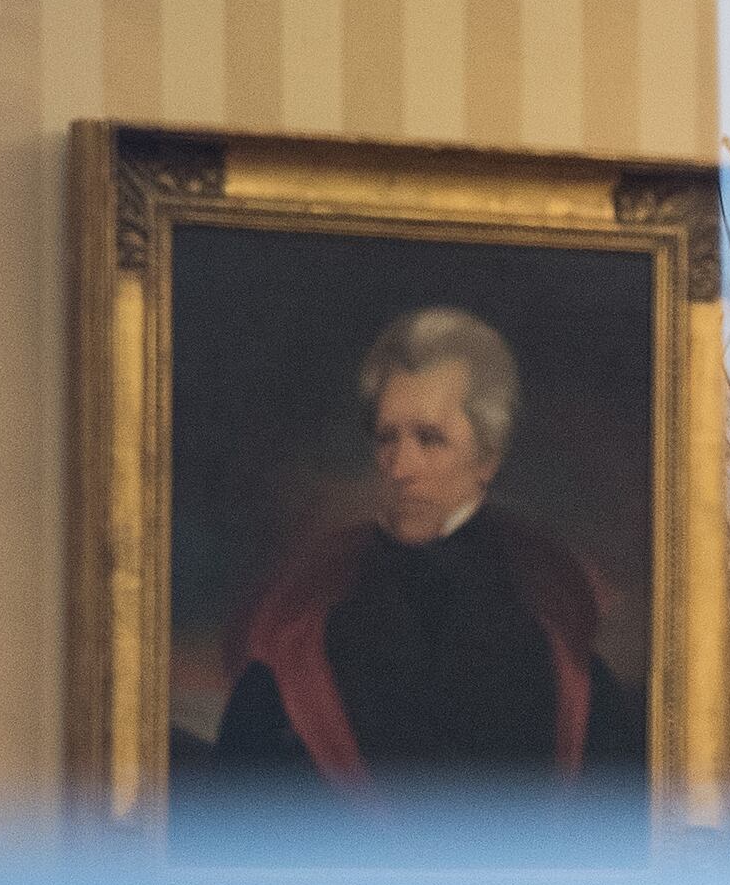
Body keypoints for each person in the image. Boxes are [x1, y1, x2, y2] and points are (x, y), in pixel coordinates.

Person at [196, 305, 648, 847]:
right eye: (387, 439)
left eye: (429, 439)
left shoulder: (553, 633)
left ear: (488, 457)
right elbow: (235, 826)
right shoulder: (306, 622)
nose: (400, 467)